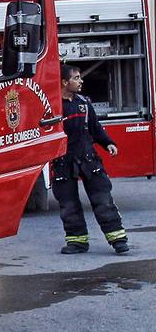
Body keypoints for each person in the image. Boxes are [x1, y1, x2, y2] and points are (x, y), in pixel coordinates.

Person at [54, 64, 131, 255]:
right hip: (63, 162)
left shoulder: (84, 103)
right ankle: (77, 242)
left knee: (103, 199)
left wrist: (108, 143)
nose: (81, 81)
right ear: (65, 82)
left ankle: (118, 240)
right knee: (68, 204)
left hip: (89, 159)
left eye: (80, 78)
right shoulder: (53, 107)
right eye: (76, 78)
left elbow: (96, 128)